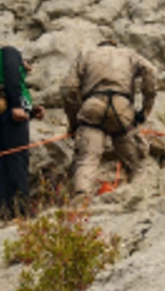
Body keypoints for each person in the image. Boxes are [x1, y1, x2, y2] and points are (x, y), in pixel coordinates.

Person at [61, 39, 157, 198]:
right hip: (122, 108)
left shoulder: (86, 54)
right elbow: (151, 71)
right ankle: (138, 195)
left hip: (92, 106)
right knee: (137, 163)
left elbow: (68, 88)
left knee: (87, 159)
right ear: (114, 45)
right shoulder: (129, 55)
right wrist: (145, 110)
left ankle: (81, 198)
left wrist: (74, 121)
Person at [0, 46, 44, 217]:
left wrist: (30, 112)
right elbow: (12, 76)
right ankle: (23, 209)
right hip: (8, 108)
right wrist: (17, 106)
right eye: (27, 64)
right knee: (18, 157)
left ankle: (6, 209)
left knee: (4, 161)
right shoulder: (10, 53)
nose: (28, 68)